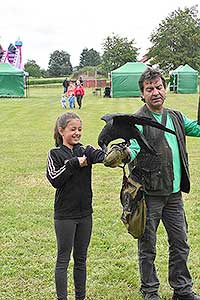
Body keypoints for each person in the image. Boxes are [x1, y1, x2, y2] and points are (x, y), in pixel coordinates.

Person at [103, 67, 200, 300]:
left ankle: (182, 288)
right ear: (142, 94)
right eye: (149, 89)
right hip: (148, 195)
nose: (155, 92)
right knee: (148, 247)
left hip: (174, 195)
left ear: (165, 89)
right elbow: (132, 148)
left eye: (158, 87)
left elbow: (197, 128)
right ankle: (150, 291)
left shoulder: (176, 117)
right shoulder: (138, 122)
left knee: (180, 243)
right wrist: (122, 153)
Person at [46, 112, 105, 300]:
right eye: (73, 129)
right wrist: (73, 163)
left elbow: (102, 157)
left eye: (80, 129)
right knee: (63, 259)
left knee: (81, 260)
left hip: (85, 214)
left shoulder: (85, 150)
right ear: (61, 131)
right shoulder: (54, 154)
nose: (77, 133)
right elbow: (55, 179)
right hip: (65, 216)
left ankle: (81, 297)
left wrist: (109, 153)